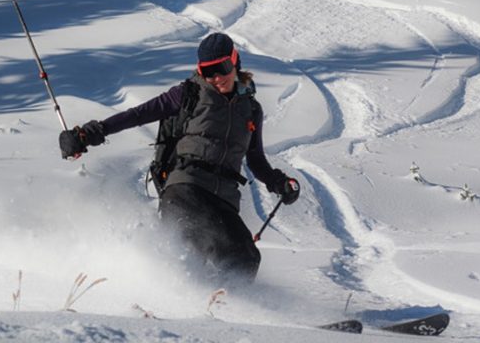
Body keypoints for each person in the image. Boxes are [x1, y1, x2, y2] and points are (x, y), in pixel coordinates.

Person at [59, 32, 300, 285]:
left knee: (247, 259)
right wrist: (88, 134)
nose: (217, 77)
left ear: (235, 62)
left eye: (222, 68)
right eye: (209, 72)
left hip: (224, 201)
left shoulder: (251, 109)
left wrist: (279, 183)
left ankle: (227, 313)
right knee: (214, 255)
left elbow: (256, 159)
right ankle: (201, 309)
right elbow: (138, 114)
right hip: (187, 188)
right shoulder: (189, 94)